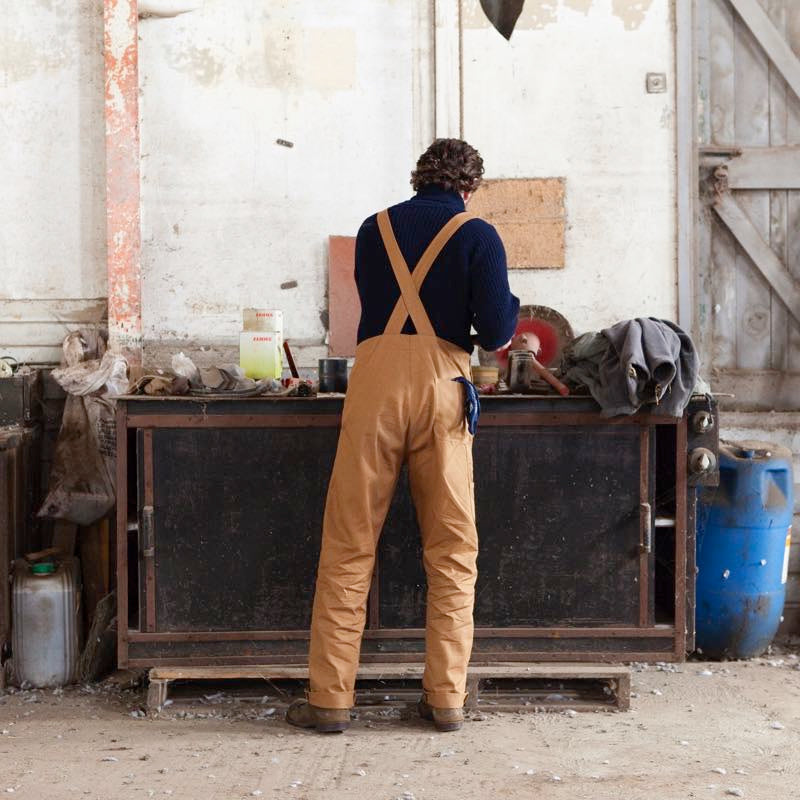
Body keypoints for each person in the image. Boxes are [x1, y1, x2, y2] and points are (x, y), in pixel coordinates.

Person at [287, 138, 520, 733]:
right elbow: (495, 330)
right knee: (451, 550)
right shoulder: (477, 234)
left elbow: (380, 302)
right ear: (469, 187)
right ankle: (445, 698)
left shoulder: (373, 229)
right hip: (442, 387)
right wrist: (503, 302)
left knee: (348, 543)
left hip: (373, 388)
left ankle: (329, 701)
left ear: (419, 178)